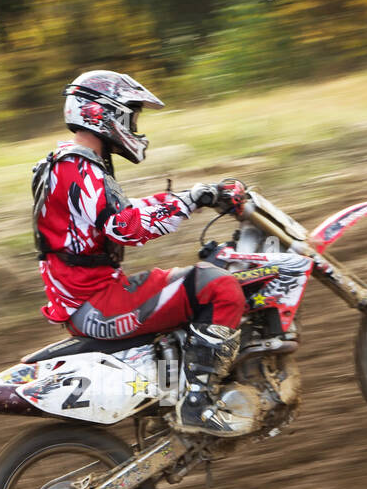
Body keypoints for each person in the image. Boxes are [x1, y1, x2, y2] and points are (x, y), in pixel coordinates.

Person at [32, 69, 253, 436]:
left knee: (207, 272)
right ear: (103, 113)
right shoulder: (75, 168)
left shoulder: (71, 165)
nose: (135, 126)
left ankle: (181, 387)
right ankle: (197, 404)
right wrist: (193, 197)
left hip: (92, 298)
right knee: (218, 286)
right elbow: (125, 225)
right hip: (97, 304)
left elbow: (119, 214)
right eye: (131, 115)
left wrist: (193, 197)